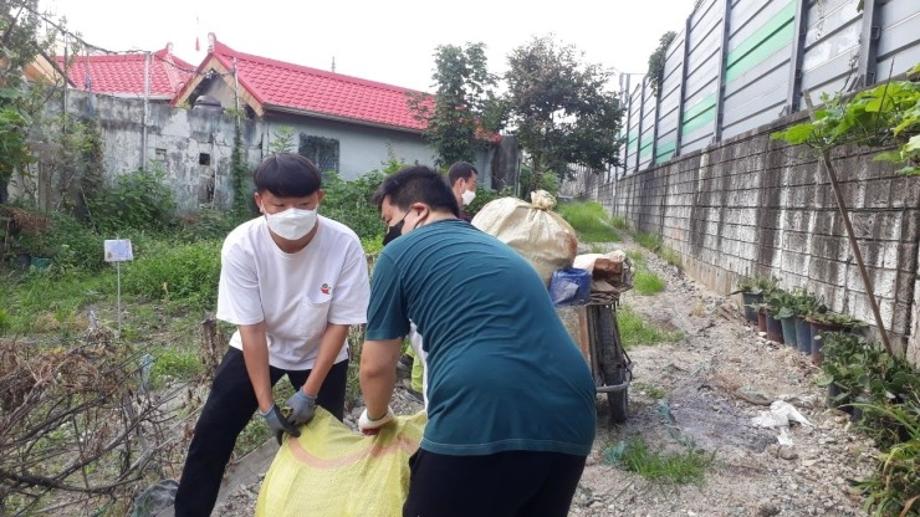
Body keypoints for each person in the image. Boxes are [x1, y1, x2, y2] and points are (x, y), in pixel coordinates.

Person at [359, 166, 596, 517]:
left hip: (481, 411)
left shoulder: (400, 254)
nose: (390, 234)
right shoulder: (503, 251)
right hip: (572, 412)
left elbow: (376, 367)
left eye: (391, 221)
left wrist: (375, 418)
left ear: (419, 211)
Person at [174, 153, 370, 516]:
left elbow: (339, 324)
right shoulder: (242, 244)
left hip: (321, 351)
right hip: (259, 345)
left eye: (304, 204)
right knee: (211, 436)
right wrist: (266, 407)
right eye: (279, 205)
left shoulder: (344, 243)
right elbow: (251, 329)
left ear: (320, 199)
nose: (292, 213)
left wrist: (310, 391)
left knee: (323, 445)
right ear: (259, 201)